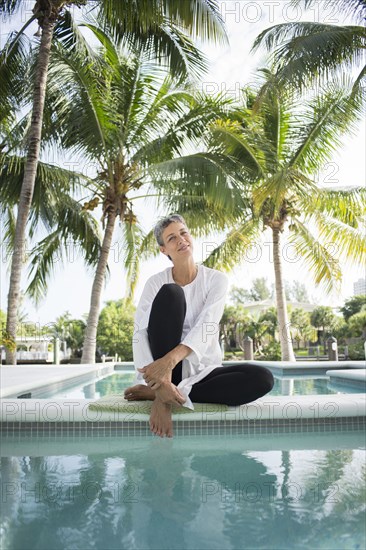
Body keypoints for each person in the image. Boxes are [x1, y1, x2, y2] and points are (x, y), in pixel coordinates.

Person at [124, 214, 274, 437]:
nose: (181, 239)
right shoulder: (155, 282)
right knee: (172, 293)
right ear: (164, 250)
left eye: (183, 233)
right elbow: (140, 332)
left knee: (263, 378)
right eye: (172, 238)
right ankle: (164, 389)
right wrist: (159, 376)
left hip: (202, 370)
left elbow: (208, 325)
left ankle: (159, 396)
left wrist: (170, 361)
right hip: (163, 371)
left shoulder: (216, 280)